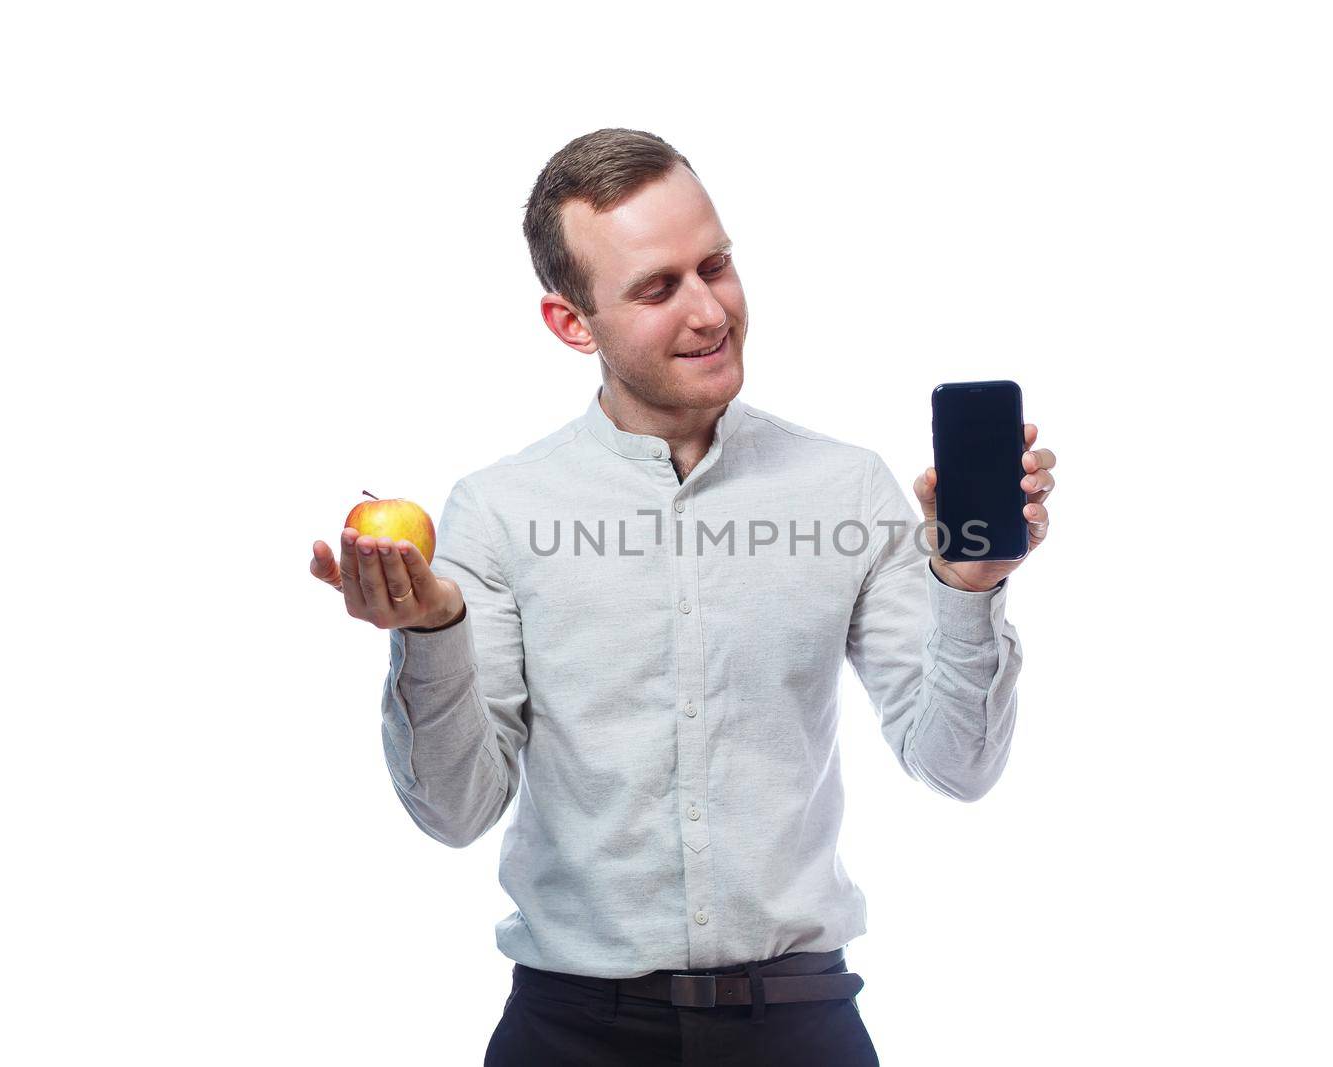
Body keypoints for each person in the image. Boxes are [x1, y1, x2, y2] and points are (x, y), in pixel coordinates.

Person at [308, 128, 1057, 1066]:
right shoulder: (499, 512)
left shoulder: (847, 490)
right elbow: (456, 811)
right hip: (569, 1033)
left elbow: (958, 765)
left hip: (800, 1023)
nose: (711, 311)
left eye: (718, 265)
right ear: (570, 322)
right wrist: (430, 633)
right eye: (658, 288)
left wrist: (968, 585)